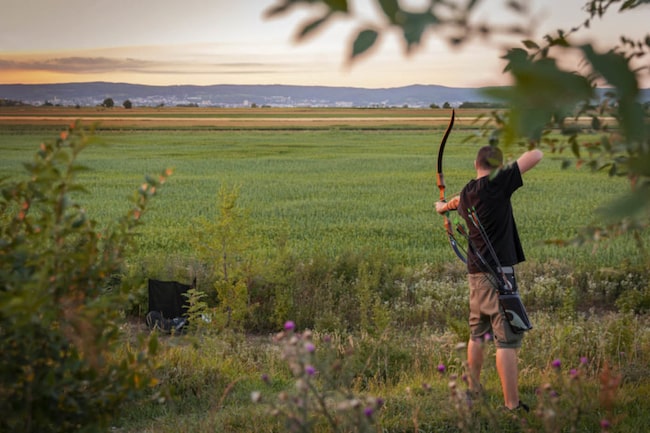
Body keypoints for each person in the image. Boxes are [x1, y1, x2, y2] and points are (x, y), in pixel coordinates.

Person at [436, 145, 543, 411]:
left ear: (475, 163)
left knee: (477, 335)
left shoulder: (469, 191)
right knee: (506, 341)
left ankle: (472, 391)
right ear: (499, 167)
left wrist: (441, 208)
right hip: (499, 276)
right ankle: (512, 405)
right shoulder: (497, 185)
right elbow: (537, 154)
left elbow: (456, 202)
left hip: (475, 273)